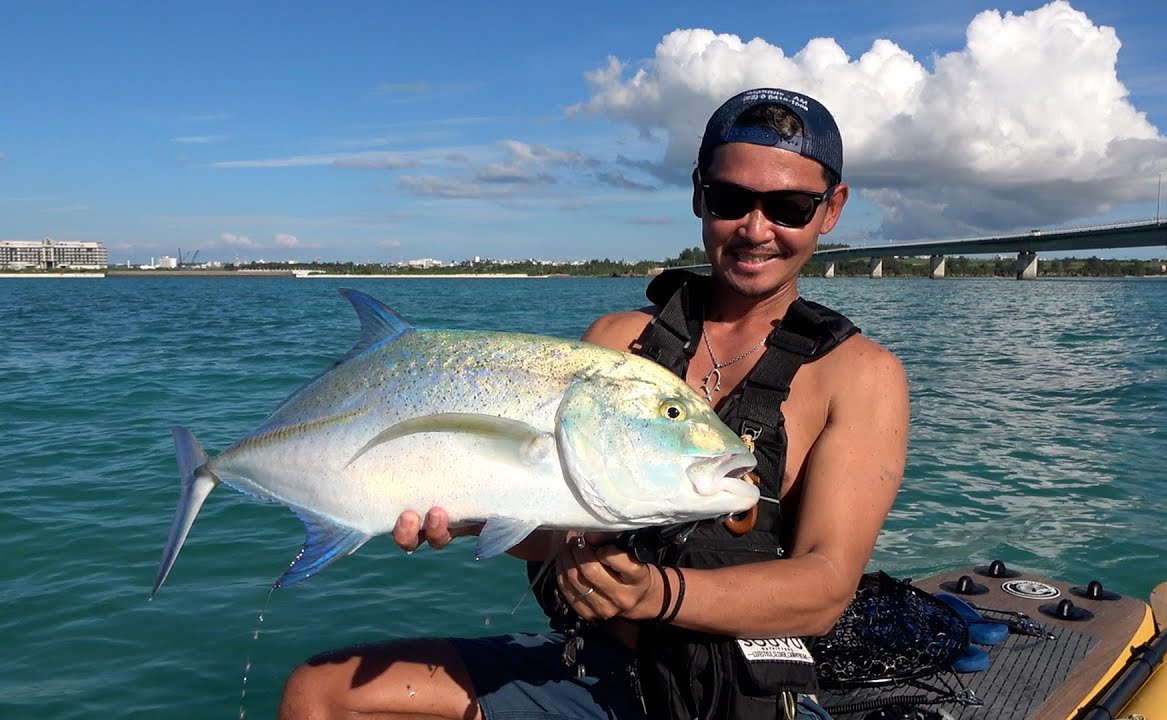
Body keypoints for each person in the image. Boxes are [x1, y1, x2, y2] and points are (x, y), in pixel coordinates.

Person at [278, 87, 908, 720]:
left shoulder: (859, 376)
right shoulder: (616, 344)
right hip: (592, 669)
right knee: (322, 695)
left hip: (742, 694)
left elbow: (825, 586)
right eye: (729, 200)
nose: (755, 228)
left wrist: (654, 593)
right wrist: (471, 510)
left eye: (790, 206)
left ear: (832, 210)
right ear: (698, 194)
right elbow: (550, 533)